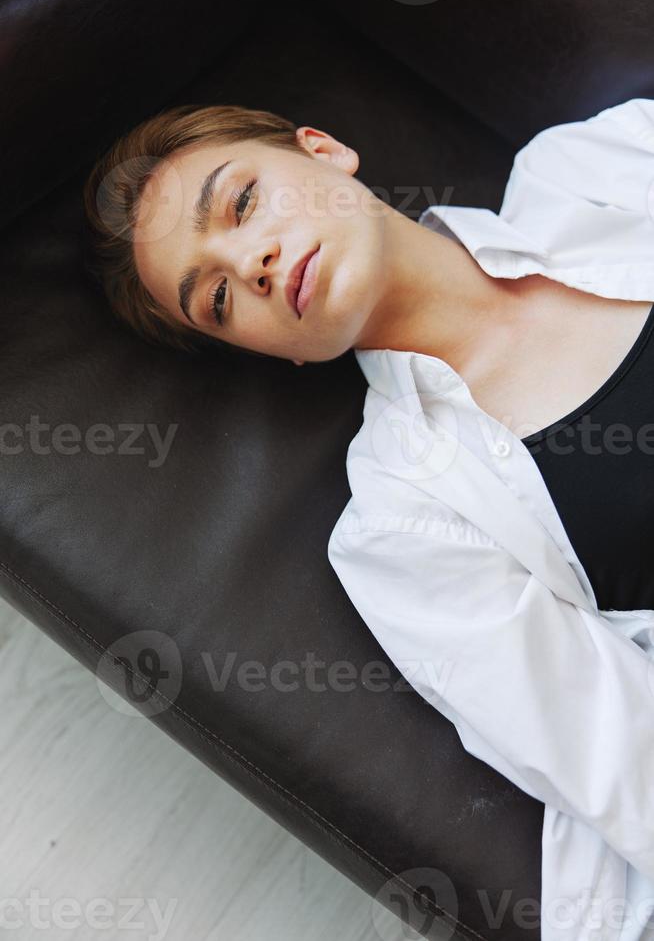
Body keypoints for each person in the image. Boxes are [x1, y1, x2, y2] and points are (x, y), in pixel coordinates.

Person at [83, 98, 654, 940]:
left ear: (324, 150)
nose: (254, 263)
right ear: (272, 351)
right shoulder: (402, 527)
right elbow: (625, 762)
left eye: (240, 202)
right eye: (217, 300)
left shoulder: (588, 171)